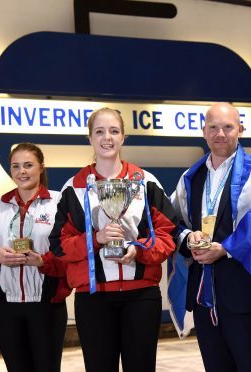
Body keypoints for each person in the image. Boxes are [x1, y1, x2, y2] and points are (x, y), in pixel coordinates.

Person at [169, 102, 251, 372]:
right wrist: (188, 237)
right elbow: (172, 222)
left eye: (228, 127)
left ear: (240, 129)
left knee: (250, 365)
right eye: (213, 127)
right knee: (215, 367)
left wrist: (225, 248)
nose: (220, 133)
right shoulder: (190, 178)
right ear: (203, 131)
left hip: (243, 293)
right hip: (203, 295)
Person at [50, 108, 178, 372]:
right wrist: (95, 238)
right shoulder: (73, 187)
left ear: (123, 138)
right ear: (90, 138)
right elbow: (59, 246)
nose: (107, 137)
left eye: (113, 131)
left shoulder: (146, 182)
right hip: (93, 297)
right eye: (99, 131)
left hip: (141, 296)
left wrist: (139, 251)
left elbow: (166, 235)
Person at [0, 143, 70, 372]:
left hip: (47, 305)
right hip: (6, 306)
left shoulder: (59, 203)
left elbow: (70, 254)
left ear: (41, 167)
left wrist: (43, 262)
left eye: (28, 165)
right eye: (15, 166)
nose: (21, 171)